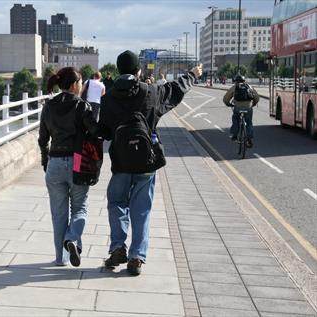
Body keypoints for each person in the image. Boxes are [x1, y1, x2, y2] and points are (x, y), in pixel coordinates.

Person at [99, 50, 202, 276]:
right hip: (147, 162)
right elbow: (175, 90)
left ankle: (117, 247)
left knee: (116, 202)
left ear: (118, 70)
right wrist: (192, 74)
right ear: (138, 71)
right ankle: (137, 256)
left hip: (121, 163)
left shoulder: (107, 99)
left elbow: (104, 133)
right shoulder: (151, 92)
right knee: (142, 209)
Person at [38, 67, 101, 267]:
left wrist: (46, 161)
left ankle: (61, 258)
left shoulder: (48, 106)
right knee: (79, 208)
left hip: (55, 162)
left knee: (58, 215)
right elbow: (95, 131)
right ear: (74, 85)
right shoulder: (82, 106)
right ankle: (72, 239)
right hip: (77, 161)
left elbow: (42, 139)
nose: (82, 86)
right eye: (81, 82)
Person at [223, 74, 260, 148]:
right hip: (248, 108)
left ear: (236, 81)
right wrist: (254, 104)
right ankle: (249, 138)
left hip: (238, 108)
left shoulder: (234, 87)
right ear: (244, 80)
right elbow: (257, 97)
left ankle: (235, 135)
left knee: (235, 119)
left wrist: (228, 104)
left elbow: (226, 98)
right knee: (249, 122)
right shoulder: (249, 87)